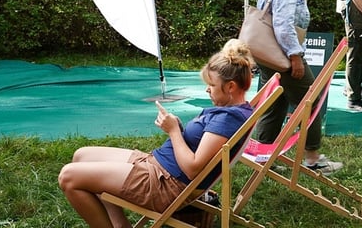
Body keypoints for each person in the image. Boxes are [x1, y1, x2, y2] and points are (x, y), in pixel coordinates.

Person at [58, 39, 256, 228]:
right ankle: (120, 225)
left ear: (230, 86)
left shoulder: (228, 118)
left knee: (68, 177)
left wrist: (173, 132)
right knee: (81, 155)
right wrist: (177, 128)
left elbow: (193, 168)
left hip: (166, 184)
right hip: (158, 165)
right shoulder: (233, 111)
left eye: (211, 86)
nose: (207, 90)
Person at [255, 0, 342, 174]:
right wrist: (295, 56)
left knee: (275, 103)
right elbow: (283, 25)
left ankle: (262, 156)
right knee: (310, 100)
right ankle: (313, 158)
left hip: (267, 54)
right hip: (283, 55)